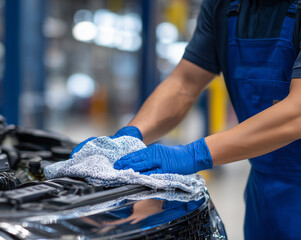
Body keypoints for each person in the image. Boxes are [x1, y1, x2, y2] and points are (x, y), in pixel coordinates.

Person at [71, 0, 301, 239]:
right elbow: (185, 83)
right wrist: (131, 135)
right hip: (264, 193)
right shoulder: (222, 6)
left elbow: (297, 112)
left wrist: (192, 154)